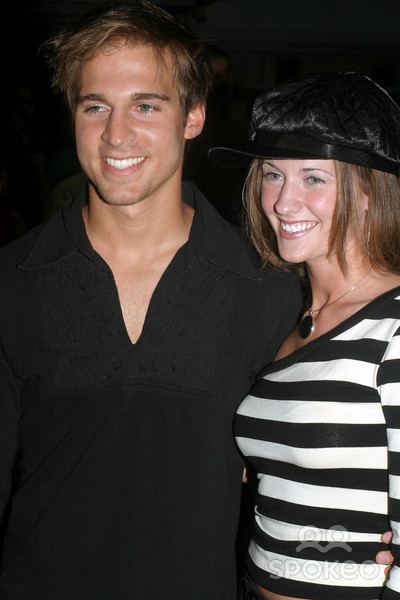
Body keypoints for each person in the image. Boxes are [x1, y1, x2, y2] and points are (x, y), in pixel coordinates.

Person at [0, 2, 302, 599]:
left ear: (192, 116)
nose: (116, 134)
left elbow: (309, 461)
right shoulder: (12, 280)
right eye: (95, 107)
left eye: (145, 105)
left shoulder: (270, 287)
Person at [209, 71, 400, 599]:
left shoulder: (394, 329)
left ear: (367, 193)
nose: (284, 203)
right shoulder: (285, 317)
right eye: (273, 175)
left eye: (314, 178)